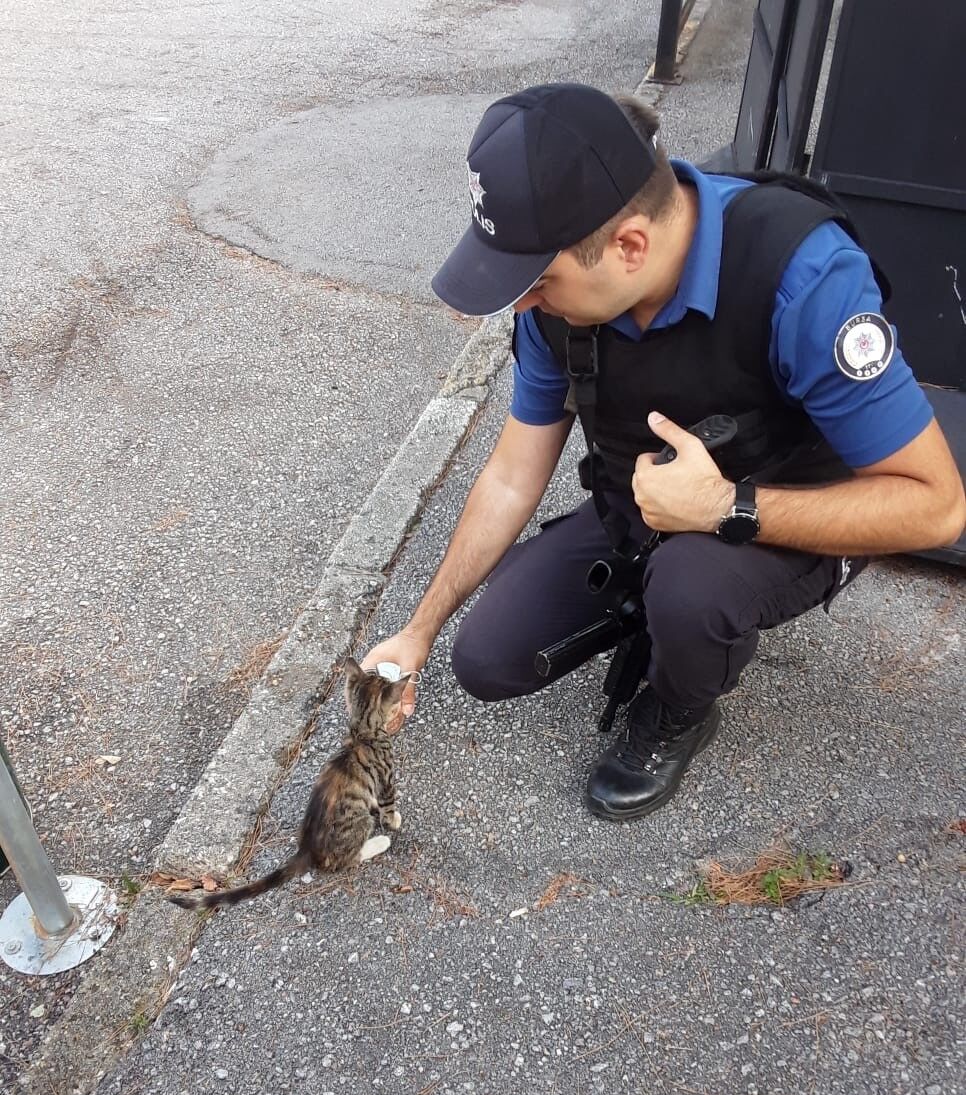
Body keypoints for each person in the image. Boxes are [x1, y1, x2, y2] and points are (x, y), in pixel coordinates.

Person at [362, 83, 965, 821]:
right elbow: (514, 473)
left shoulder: (802, 276)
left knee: (691, 590)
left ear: (630, 246)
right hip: (642, 502)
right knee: (487, 660)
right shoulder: (559, 301)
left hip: (793, 509)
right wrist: (419, 629)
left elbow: (936, 507)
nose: (524, 304)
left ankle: (680, 706)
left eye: (539, 281)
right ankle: (656, 604)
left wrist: (726, 508)